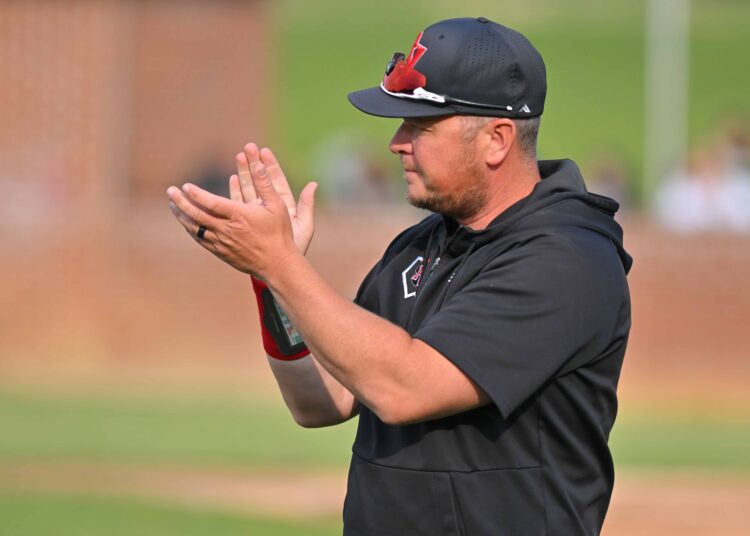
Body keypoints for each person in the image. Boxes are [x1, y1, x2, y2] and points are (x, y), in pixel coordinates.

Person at [167, 17, 632, 535]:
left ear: (497, 140)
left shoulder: (566, 259)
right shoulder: (422, 244)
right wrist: (271, 278)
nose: (396, 142)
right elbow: (320, 400)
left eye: (420, 125)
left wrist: (281, 263)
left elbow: (403, 388)